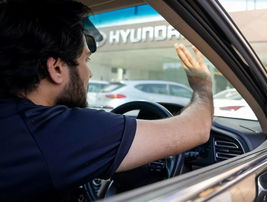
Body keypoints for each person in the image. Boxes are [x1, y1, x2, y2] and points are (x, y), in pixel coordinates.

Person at [0, 0, 213, 201]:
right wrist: (202, 86)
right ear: (56, 68)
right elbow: (198, 128)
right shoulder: (56, 132)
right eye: (85, 60)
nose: (89, 73)